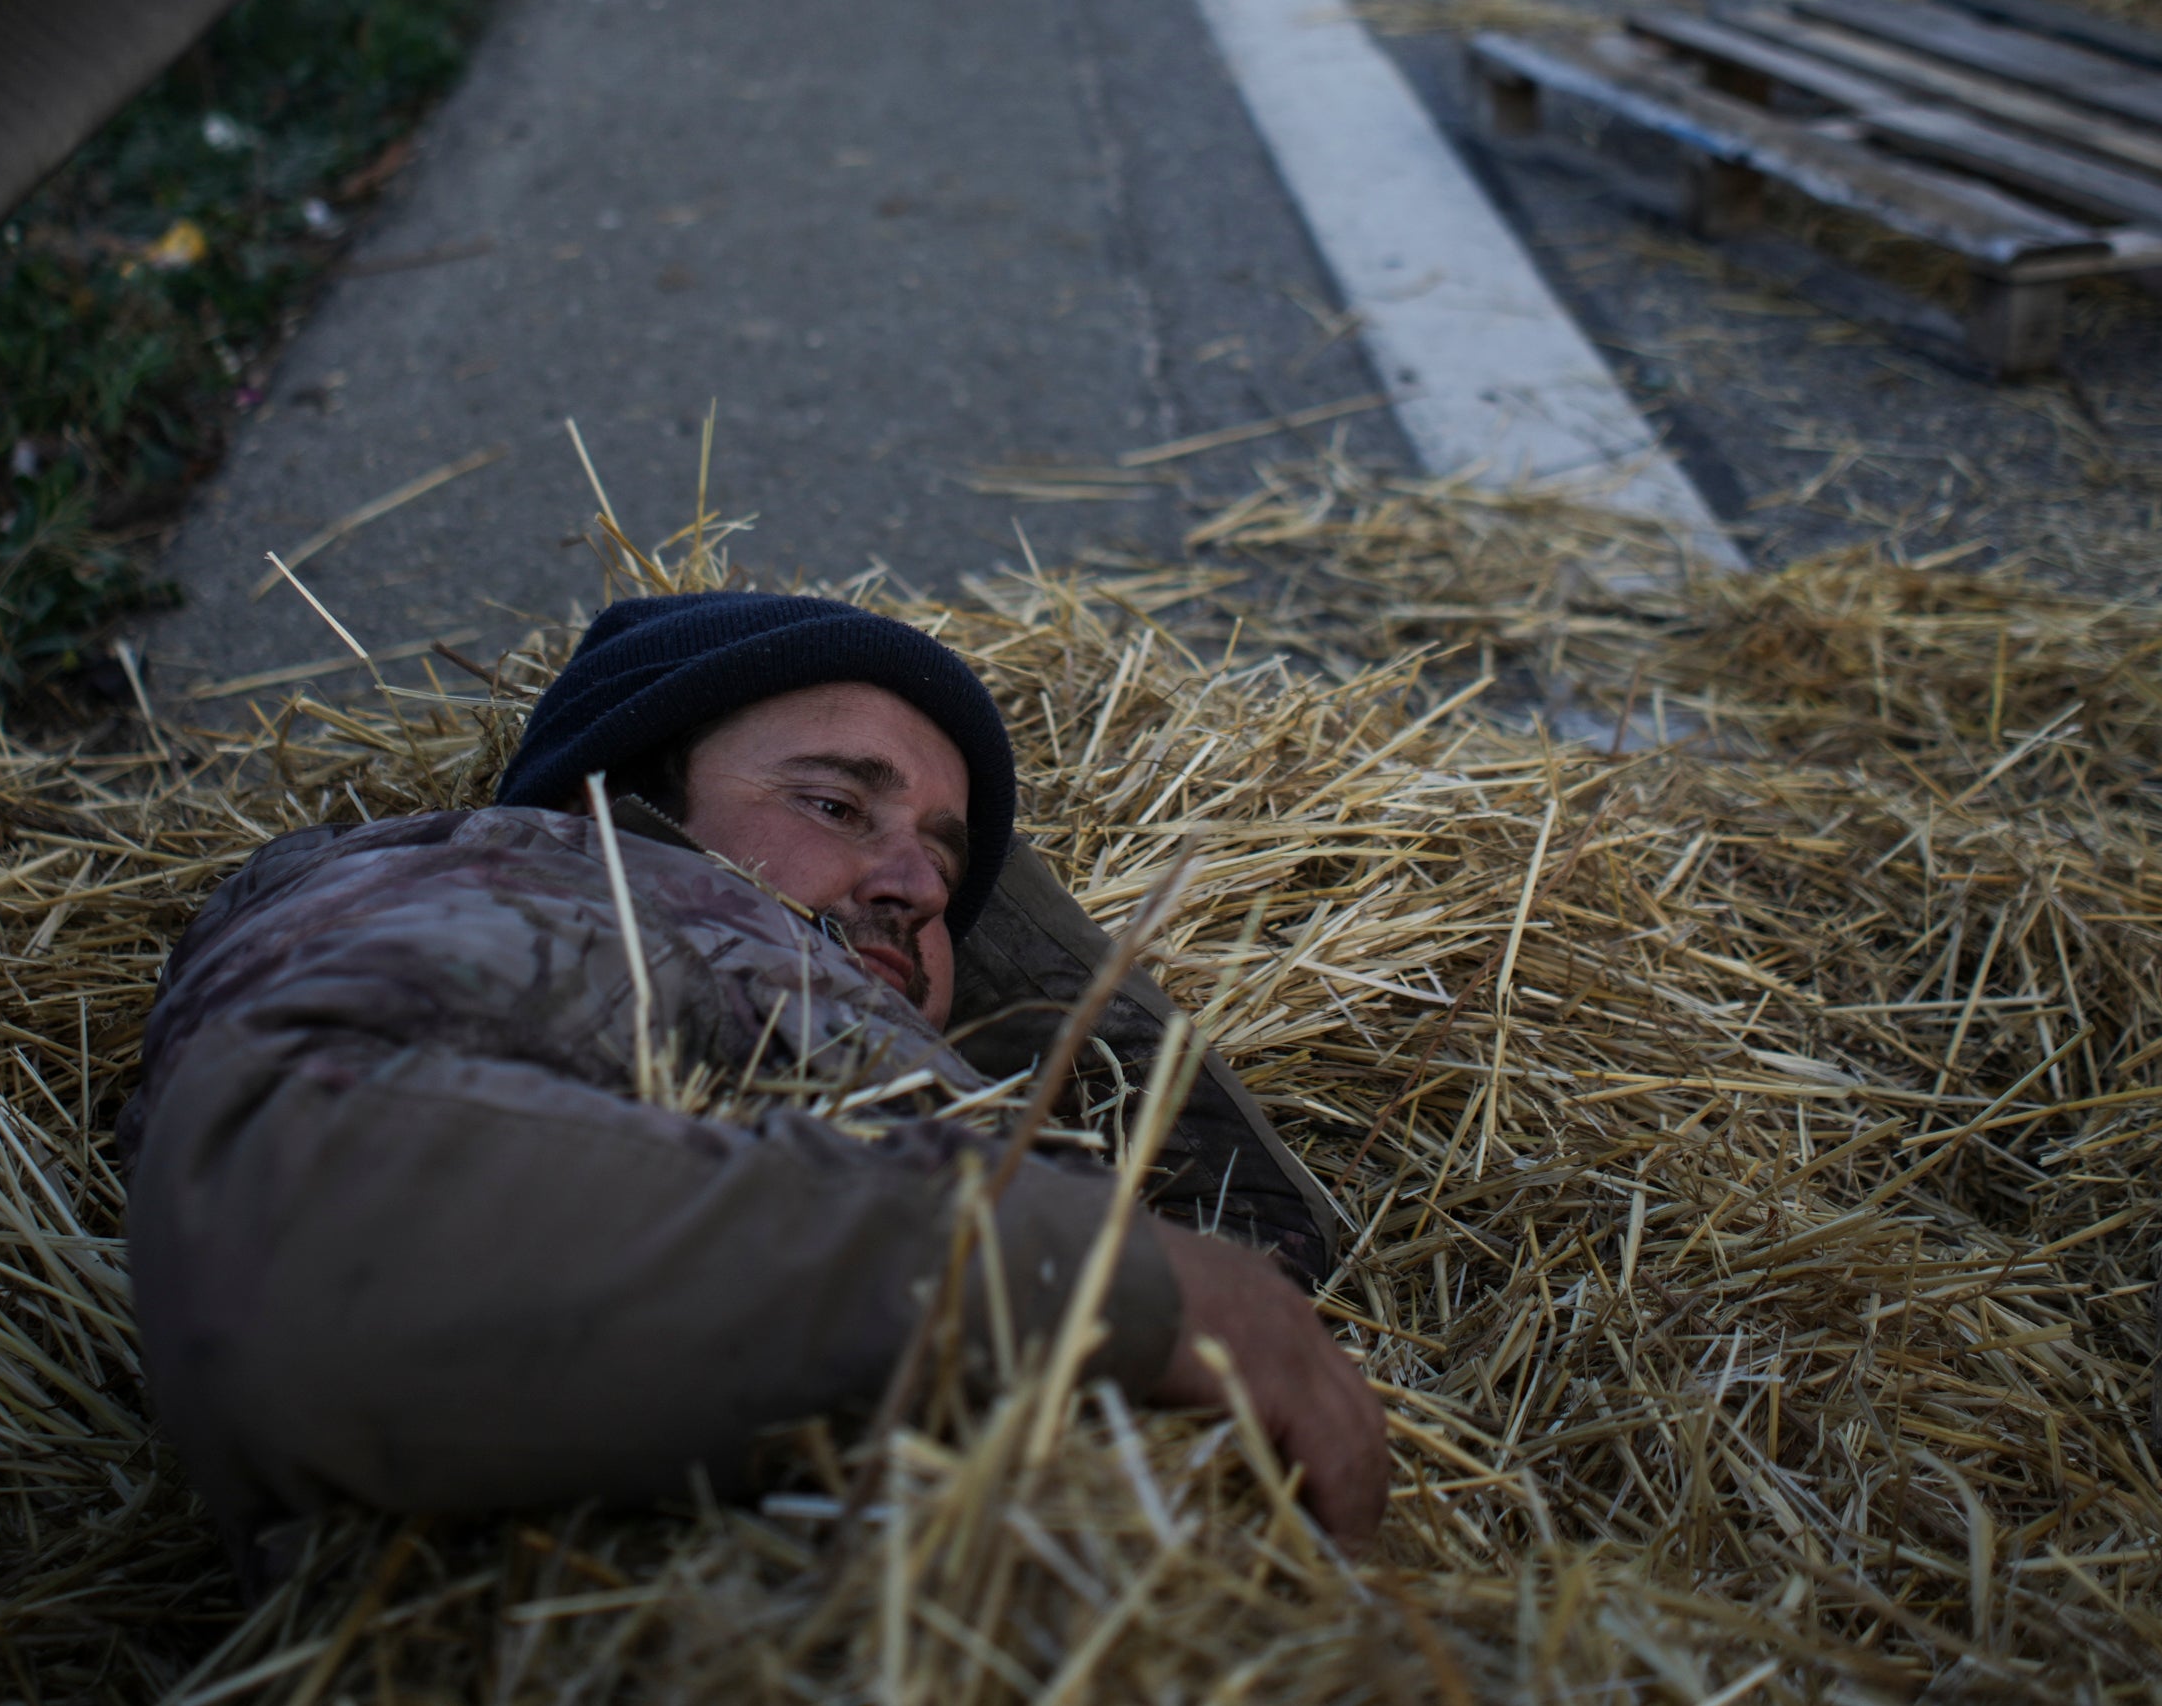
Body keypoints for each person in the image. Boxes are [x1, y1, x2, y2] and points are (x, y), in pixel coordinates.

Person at [124, 591, 1388, 1574]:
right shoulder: (538, 888)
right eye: (837, 804)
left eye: (949, 865)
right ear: (608, 803)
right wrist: (1087, 1283)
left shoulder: (789, 1001)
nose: (920, 887)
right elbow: (309, 1227)